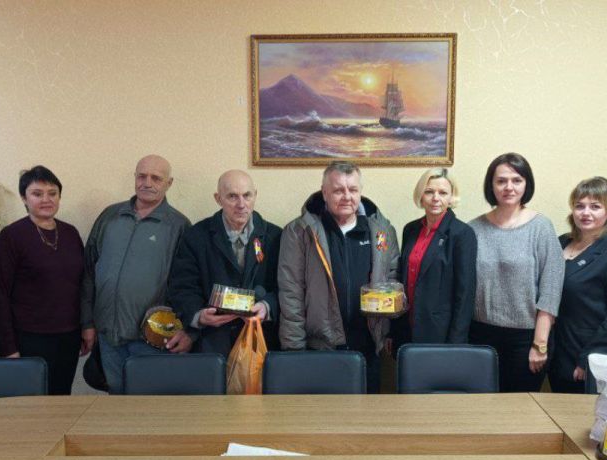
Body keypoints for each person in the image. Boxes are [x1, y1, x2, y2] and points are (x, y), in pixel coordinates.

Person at [278, 161, 399, 393]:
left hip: (369, 347)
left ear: (360, 192)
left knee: (366, 414)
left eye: (352, 190)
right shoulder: (300, 231)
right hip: (319, 349)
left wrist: (388, 330)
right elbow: (290, 292)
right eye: (338, 190)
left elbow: (392, 278)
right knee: (324, 415)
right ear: (324, 192)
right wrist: (294, 350)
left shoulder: (382, 231)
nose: (347, 197)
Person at [80, 154, 192, 394]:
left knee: (148, 405)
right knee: (116, 401)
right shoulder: (110, 216)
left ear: (169, 183)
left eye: (156, 178)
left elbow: (187, 285)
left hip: (152, 339)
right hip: (108, 337)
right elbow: (88, 271)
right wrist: (87, 322)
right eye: (142, 176)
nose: (147, 183)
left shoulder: (179, 225)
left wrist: (187, 331)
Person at [0, 166, 87, 395]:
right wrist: (8, 347)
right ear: (24, 198)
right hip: (28, 338)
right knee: (32, 403)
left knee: (61, 397)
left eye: (52, 193)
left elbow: (81, 284)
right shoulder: (11, 237)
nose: (46, 199)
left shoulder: (70, 233)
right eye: (37, 193)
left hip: (68, 336)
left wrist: (85, 326)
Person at [469, 153, 564, 392]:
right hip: (480, 336)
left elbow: (551, 290)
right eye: (501, 181)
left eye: (517, 180)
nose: (509, 187)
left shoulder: (541, 227)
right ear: (491, 185)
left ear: (526, 184)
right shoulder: (473, 229)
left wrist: (540, 344)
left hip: (526, 338)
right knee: (481, 407)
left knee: (518, 408)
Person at [167, 170, 282, 355]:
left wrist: (267, 306)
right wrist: (199, 315)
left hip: (261, 342)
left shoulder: (276, 236)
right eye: (232, 196)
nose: (241, 204)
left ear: (255, 195)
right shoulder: (196, 236)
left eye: (247, 195)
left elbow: (286, 288)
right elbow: (182, 286)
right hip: (212, 343)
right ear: (218, 199)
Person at [549, 177, 607, 393]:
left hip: (587, 356)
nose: (586, 213)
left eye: (595, 206)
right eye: (579, 206)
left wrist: (589, 357)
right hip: (556, 351)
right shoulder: (560, 243)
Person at [387, 168, 476, 354]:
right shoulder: (410, 229)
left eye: (443, 193)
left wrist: (456, 342)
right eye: (429, 192)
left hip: (440, 332)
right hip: (407, 326)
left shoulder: (462, 234)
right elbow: (402, 281)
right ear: (421, 196)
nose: (436, 198)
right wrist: (393, 330)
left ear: (451, 197)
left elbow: (465, 293)